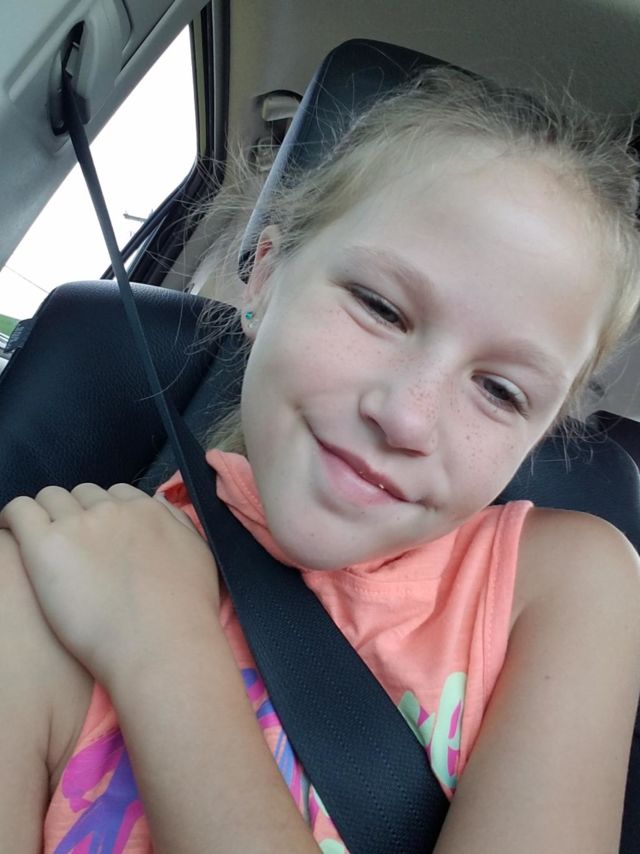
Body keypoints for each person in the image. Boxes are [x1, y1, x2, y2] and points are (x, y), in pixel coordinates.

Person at [1, 67, 640, 853]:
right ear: (266, 274)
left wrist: (163, 650)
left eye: (501, 392)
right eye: (380, 308)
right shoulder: (41, 585)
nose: (406, 417)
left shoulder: (565, 587)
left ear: (537, 434)